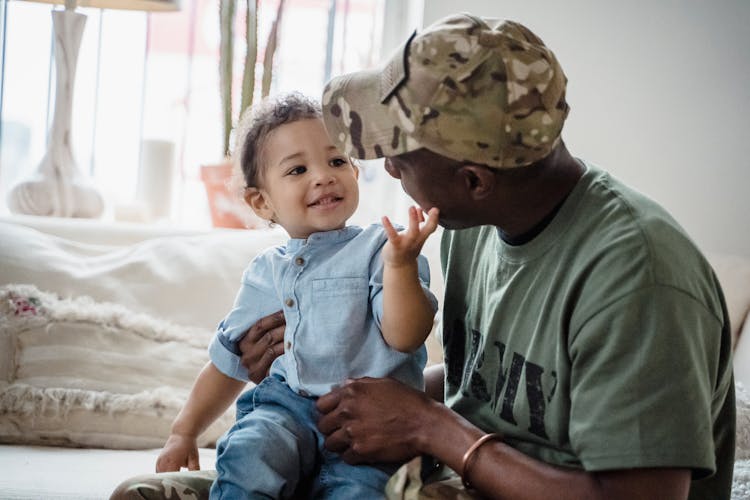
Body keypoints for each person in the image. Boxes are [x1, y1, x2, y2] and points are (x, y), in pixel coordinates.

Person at [112, 13, 735, 500]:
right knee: (145, 494)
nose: (381, 169)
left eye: (398, 158)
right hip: (449, 473)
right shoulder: (473, 221)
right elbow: (490, 385)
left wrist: (430, 427)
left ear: (472, 179)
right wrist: (315, 364)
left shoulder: (637, 278)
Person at [123, 92, 440, 499]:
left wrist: (401, 266)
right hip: (284, 412)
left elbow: (406, 335)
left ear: (356, 173)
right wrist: (182, 432)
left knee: (363, 492)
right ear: (262, 201)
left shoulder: (385, 248)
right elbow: (226, 363)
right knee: (249, 453)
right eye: (298, 169)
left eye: (337, 161)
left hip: (368, 428)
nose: (323, 176)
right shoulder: (264, 272)